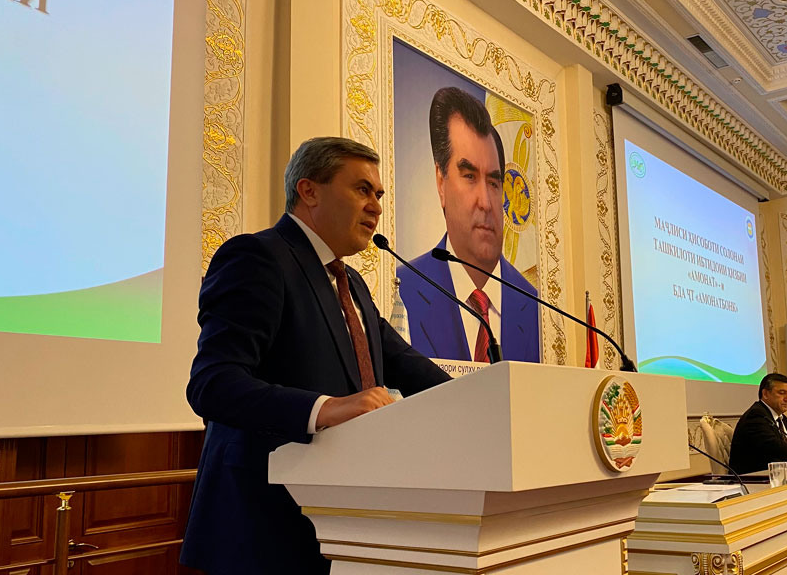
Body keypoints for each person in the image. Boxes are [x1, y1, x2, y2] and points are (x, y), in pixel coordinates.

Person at [180, 137, 452, 574]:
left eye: (379, 194)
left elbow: (405, 363)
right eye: (362, 190)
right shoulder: (258, 258)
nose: (376, 207)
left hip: (340, 519)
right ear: (309, 191)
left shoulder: (351, 283)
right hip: (262, 524)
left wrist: (484, 399)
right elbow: (213, 384)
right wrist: (326, 408)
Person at [397, 87, 539, 363]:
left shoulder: (535, 306)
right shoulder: (404, 291)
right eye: (470, 176)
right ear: (441, 182)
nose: (485, 202)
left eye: (494, 183)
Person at [728, 373, 787, 475]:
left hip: (776, 475)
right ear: (765, 394)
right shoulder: (755, 416)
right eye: (782, 393)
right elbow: (775, 448)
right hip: (752, 479)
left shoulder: (783, 420)